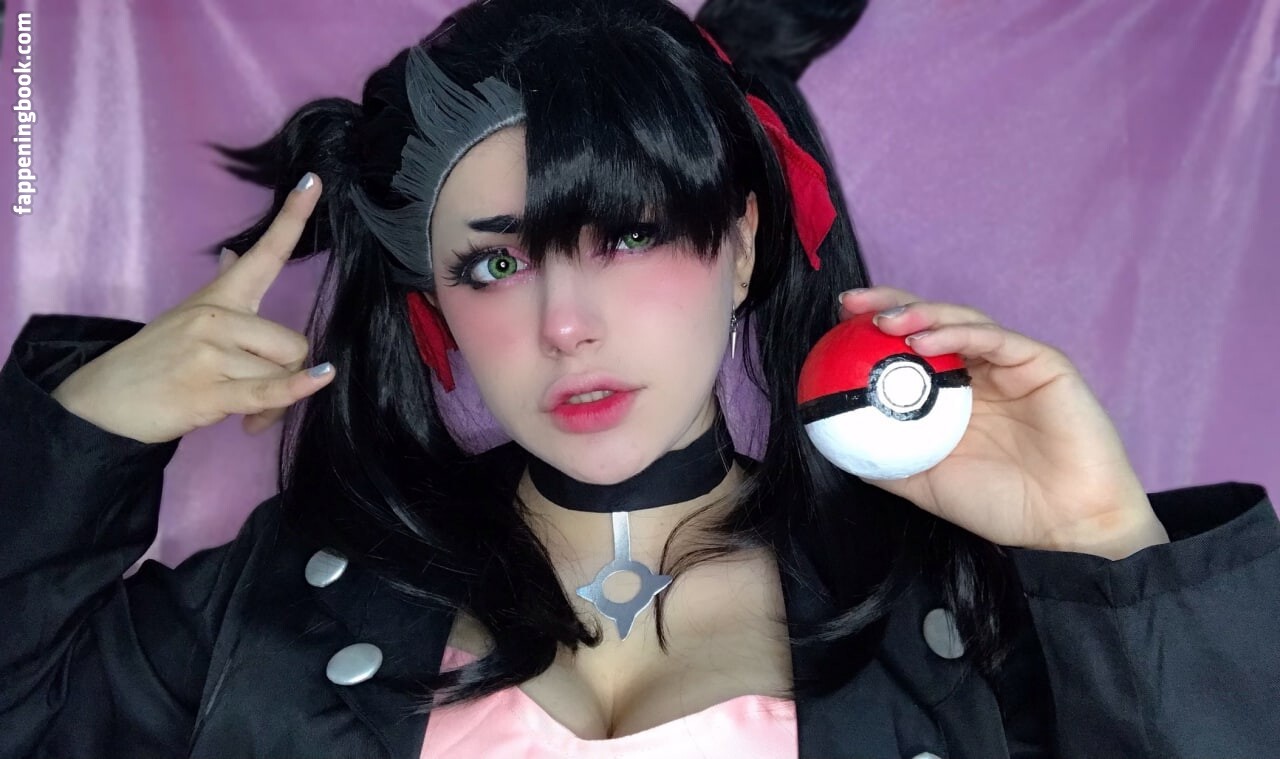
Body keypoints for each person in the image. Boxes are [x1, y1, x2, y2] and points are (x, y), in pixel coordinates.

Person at [1, 0, 1276, 756]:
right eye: (495, 265)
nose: (566, 324)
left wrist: (1104, 545)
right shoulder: (270, 609)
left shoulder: (946, 612)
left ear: (740, 246)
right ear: (434, 307)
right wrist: (81, 436)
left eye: (622, 238)